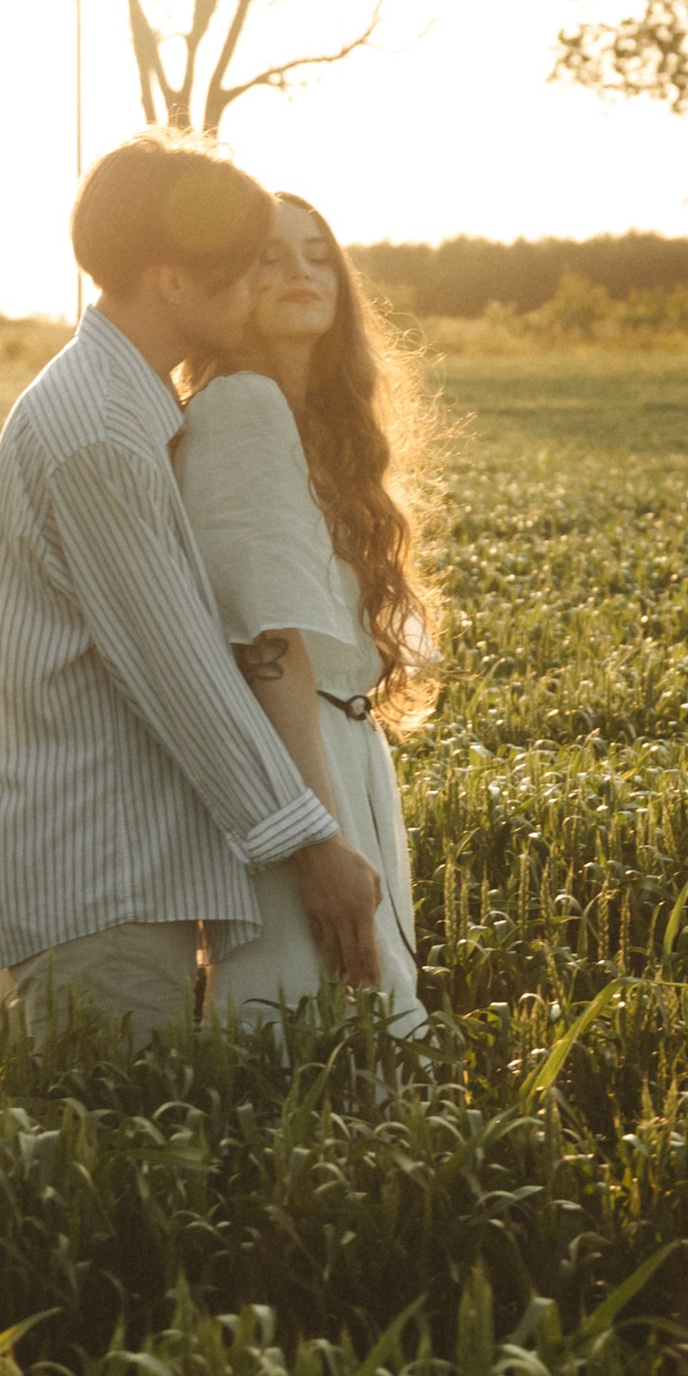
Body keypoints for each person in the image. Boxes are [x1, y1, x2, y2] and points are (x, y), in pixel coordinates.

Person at [0, 135, 383, 1038]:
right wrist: (313, 844)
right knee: (112, 1148)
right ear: (172, 281)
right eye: (238, 268)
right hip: (94, 873)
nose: (255, 285)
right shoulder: (103, 434)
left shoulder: (115, 407)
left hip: (116, 862)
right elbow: (184, 673)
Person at [173, 191, 435, 1040]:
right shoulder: (239, 407)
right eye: (272, 256)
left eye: (318, 254)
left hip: (346, 755)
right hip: (297, 770)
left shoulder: (320, 425)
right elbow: (266, 642)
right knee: (310, 1021)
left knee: (360, 1026)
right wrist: (316, 840)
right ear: (229, 285)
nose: (300, 272)